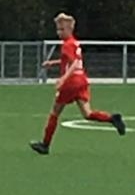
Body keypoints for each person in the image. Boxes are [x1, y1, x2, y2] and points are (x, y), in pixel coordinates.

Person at [30, 13, 126, 155]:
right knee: (87, 113)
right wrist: (53, 63)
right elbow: (73, 61)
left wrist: (63, 79)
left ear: (69, 29)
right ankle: (112, 118)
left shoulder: (67, 45)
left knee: (55, 112)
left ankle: (45, 144)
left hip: (71, 83)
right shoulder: (74, 42)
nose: (59, 33)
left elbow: (74, 63)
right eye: (58, 29)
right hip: (82, 81)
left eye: (62, 29)